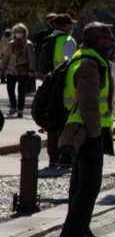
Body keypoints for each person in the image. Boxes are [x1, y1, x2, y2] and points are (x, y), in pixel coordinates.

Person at [56, 22, 115, 237]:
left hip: (84, 129)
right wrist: (94, 134)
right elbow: (89, 105)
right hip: (86, 131)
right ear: (99, 41)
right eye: (109, 38)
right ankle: (72, 233)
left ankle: (82, 229)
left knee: (81, 183)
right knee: (89, 184)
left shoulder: (85, 58)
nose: (112, 42)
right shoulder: (89, 64)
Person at [40, 14, 78, 169]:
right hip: (64, 86)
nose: (71, 28)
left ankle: (53, 158)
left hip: (48, 85)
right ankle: (65, 157)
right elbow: (71, 64)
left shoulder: (47, 40)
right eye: (70, 25)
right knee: (64, 123)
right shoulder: (68, 41)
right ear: (64, 26)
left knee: (51, 122)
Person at [1, 23, 36, 118]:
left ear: (24, 33)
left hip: (23, 71)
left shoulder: (28, 44)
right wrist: (2, 67)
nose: (18, 34)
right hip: (11, 70)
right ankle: (13, 107)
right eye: (16, 32)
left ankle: (20, 109)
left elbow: (31, 58)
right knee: (10, 89)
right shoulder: (11, 43)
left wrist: (31, 69)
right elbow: (6, 57)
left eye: (20, 32)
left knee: (21, 91)